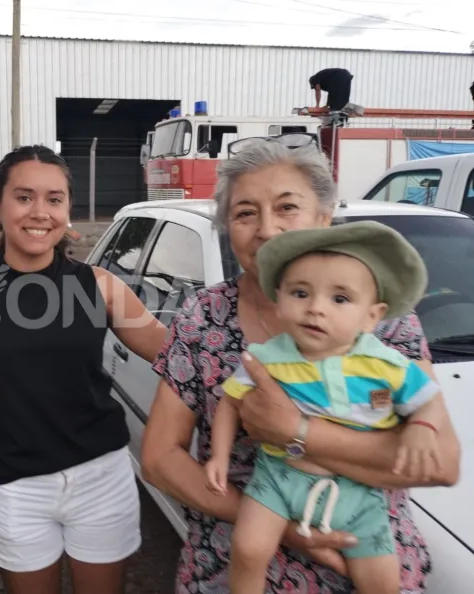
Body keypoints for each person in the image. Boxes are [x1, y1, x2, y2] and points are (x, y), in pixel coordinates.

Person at [140, 141, 461, 594]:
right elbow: (159, 459)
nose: (267, 229)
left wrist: (295, 432)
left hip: (363, 555)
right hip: (236, 559)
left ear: (324, 217)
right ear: (227, 227)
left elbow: (439, 463)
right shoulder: (204, 316)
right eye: (245, 213)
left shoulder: (383, 321)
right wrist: (278, 523)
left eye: (287, 207)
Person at [0, 145, 168, 594]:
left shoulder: (99, 286)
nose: (39, 212)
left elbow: (176, 355)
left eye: (54, 199)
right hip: (16, 488)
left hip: (102, 478)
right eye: (24, 197)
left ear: (67, 209)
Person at [206, 221, 444, 594]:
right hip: (277, 478)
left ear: (372, 315)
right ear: (279, 298)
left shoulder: (388, 366)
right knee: (248, 549)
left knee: (382, 579)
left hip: (359, 492)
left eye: (340, 299)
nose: (316, 308)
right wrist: (218, 456)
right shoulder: (266, 358)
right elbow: (230, 402)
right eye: (300, 293)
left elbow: (428, 401)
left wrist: (422, 428)